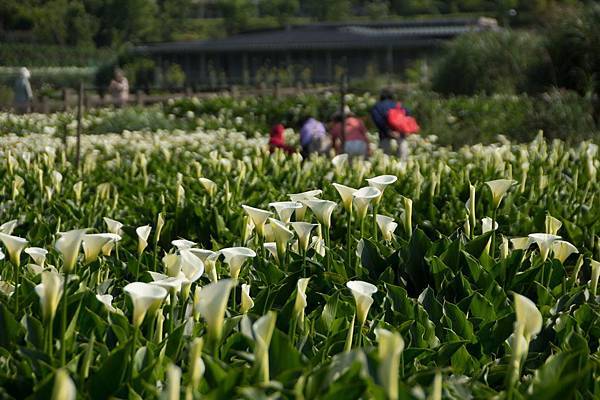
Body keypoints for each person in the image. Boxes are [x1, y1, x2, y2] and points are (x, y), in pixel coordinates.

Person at [371, 88, 409, 159]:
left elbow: (378, 121)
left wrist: (388, 131)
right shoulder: (399, 106)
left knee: (386, 161)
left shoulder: (377, 106)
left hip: (385, 137)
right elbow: (407, 116)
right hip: (400, 136)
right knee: (402, 162)